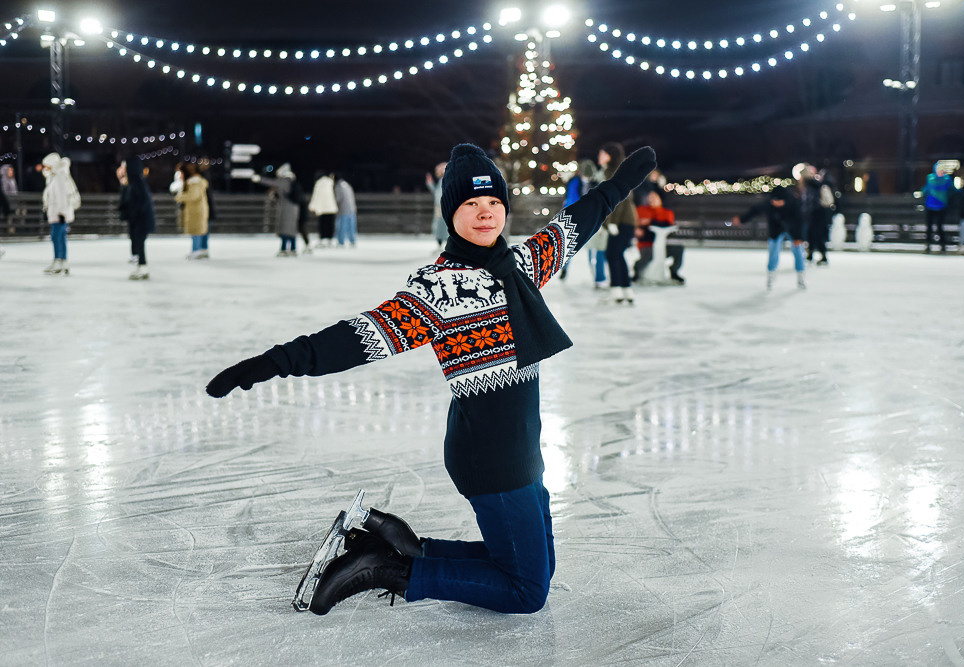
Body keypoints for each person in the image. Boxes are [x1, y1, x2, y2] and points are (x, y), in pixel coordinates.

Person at [205, 142, 656, 616]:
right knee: (527, 591)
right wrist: (270, 363)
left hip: (523, 449)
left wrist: (620, 182)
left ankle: (402, 545)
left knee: (540, 566)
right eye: (471, 204)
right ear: (450, 212)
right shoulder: (439, 288)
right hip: (491, 457)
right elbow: (357, 338)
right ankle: (383, 568)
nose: (486, 214)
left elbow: (579, 221)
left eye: (494, 203)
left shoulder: (523, 267)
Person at [733, 185, 806, 290]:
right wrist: (741, 219)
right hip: (776, 229)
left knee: (798, 250)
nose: (776, 204)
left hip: (793, 229)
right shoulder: (769, 204)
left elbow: (800, 221)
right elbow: (755, 210)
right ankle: (771, 274)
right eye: (774, 202)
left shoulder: (794, 203)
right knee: (773, 250)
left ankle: (801, 275)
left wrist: (799, 237)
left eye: (778, 202)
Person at [600, 142, 639, 304]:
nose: (599, 157)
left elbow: (621, 199)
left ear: (610, 155)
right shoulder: (612, 171)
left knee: (612, 254)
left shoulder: (615, 172)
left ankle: (617, 289)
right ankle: (626, 290)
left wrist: (613, 223)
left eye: (602, 153)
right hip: (626, 221)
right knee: (617, 254)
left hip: (623, 221)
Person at [558, 158, 600, 281]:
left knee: (593, 247)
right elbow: (571, 200)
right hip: (575, 218)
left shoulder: (595, 183)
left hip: (591, 218)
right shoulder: (574, 182)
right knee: (570, 245)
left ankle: (596, 272)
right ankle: (564, 268)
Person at [41, 153, 81, 276]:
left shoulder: (59, 176)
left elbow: (62, 196)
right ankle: (62, 261)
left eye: (46, 165)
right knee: (60, 237)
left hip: (59, 213)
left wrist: (62, 213)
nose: (44, 168)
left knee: (56, 237)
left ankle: (59, 260)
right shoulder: (54, 176)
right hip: (57, 212)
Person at [633, 190, 683, 284]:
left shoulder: (666, 212)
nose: (651, 200)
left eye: (654, 197)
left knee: (678, 249)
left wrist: (649, 222)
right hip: (647, 243)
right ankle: (637, 271)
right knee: (647, 255)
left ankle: (674, 271)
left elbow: (667, 225)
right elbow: (638, 227)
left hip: (662, 244)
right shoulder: (641, 210)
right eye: (650, 197)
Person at [118, 156, 156, 280]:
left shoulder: (137, 182)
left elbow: (140, 202)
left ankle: (143, 268)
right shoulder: (134, 182)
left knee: (140, 244)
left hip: (140, 220)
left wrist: (135, 214)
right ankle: (141, 267)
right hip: (137, 220)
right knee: (138, 244)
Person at [254, 163, 300, 256]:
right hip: (292, 207)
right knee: (291, 229)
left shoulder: (285, 181)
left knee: (285, 229)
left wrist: (259, 179)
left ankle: (284, 249)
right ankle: (292, 248)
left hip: (288, 208)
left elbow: (272, 182)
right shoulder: (291, 181)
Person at [793, 162, 831, 266]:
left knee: (816, 235)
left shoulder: (810, 183)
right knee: (811, 235)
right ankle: (812, 255)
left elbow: (811, 199)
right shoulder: (810, 184)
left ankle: (821, 256)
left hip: (816, 213)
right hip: (813, 213)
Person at [175, 163, 210, 258]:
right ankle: (200, 249)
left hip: (196, 210)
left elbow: (194, 195)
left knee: (197, 231)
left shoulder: (194, 182)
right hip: (196, 209)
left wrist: (180, 197)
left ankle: (196, 250)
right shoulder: (196, 181)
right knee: (198, 230)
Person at [921, 161, 955, 253]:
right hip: (930, 205)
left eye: (941, 169)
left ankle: (942, 245)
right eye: (938, 169)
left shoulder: (947, 179)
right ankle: (928, 244)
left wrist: (947, 197)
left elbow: (952, 190)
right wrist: (923, 192)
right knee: (929, 226)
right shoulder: (930, 178)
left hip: (941, 206)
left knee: (939, 226)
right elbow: (927, 189)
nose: (940, 171)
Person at [309, 170, 338, 247]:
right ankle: (330, 239)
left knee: (323, 224)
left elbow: (316, 195)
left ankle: (323, 239)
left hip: (322, 208)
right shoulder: (330, 182)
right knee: (330, 224)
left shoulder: (318, 183)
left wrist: (312, 206)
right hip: (331, 207)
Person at [426, 162, 448, 248]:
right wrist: (430, 184)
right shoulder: (441, 180)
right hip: (439, 205)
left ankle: (445, 240)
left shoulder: (446, 179)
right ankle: (440, 240)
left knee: (444, 223)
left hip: (444, 205)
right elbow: (436, 192)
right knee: (439, 223)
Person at [334, 176, 357, 247]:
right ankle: (352, 240)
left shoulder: (339, 187)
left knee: (342, 226)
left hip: (343, 210)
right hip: (351, 209)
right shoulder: (347, 185)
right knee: (351, 226)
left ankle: (341, 241)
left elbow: (338, 199)